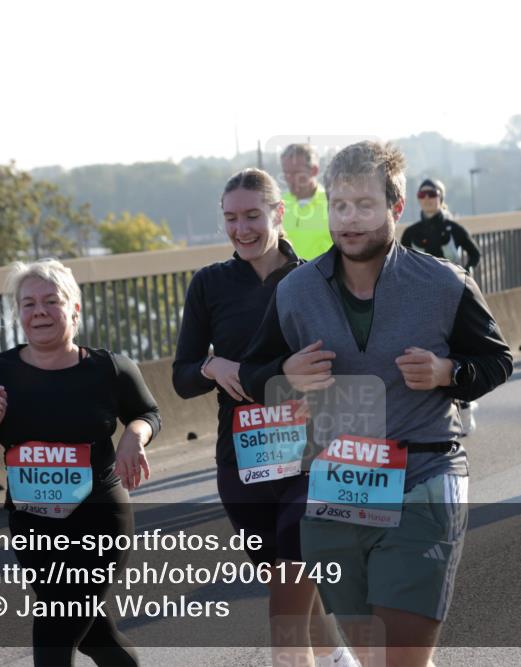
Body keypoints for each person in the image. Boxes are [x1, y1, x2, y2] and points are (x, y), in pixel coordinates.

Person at [240, 141, 513, 667]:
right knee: (372, 656)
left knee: (399, 656)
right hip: (337, 487)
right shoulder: (295, 291)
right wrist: (282, 372)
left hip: (424, 474)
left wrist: (447, 373)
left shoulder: (443, 283)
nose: (350, 219)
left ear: (396, 206)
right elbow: (254, 374)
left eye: (364, 205)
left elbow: (497, 361)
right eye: (339, 206)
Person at [173, 168, 357, 667]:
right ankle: (340, 658)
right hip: (242, 461)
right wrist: (211, 365)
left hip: (313, 457)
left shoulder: (320, 276)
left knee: (288, 596)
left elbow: (351, 359)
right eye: (231, 219)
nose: (242, 229)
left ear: (278, 213)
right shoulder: (209, 284)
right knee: (289, 580)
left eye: (253, 215)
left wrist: (274, 373)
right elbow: (182, 377)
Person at [0, 258, 160, 667]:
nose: (39, 311)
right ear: (18, 314)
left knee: (54, 633)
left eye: (51, 301)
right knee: (96, 638)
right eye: (28, 304)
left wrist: (134, 436)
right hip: (33, 526)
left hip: (100, 520)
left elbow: (149, 413)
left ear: (74, 309)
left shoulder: (109, 368)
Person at [402, 177, 484, 435]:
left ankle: (466, 403)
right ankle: (443, 409)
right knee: (434, 353)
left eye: (432, 194)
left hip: (454, 298)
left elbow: (475, 253)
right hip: (424, 301)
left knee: (458, 350)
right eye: (422, 194)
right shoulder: (411, 233)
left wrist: (465, 274)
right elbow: (401, 264)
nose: (427, 199)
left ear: (441, 198)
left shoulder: (452, 229)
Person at [281, 143, 331, 260]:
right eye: (286, 173)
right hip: (287, 278)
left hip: (323, 277)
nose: (290, 179)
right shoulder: (279, 205)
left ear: (314, 170)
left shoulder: (333, 203)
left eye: (296, 173)